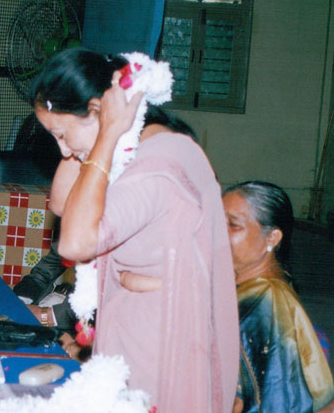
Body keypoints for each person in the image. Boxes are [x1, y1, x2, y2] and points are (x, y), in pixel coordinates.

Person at [29, 47, 239, 412]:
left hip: (158, 341)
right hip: (129, 324)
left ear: (98, 110)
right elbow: (62, 203)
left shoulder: (157, 164)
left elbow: (75, 242)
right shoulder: (130, 148)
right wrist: (93, 139)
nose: (62, 150)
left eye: (62, 134)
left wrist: (107, 133)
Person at [223, 181, 334, 413]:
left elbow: (273, 401)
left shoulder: (263, 300)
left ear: (272, 238)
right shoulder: (253, 290)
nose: (219, 233)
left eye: (233, 225)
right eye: (217, 222)